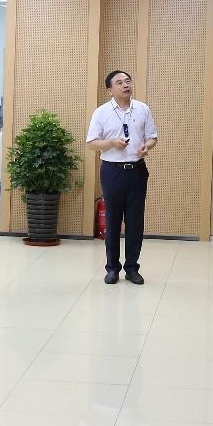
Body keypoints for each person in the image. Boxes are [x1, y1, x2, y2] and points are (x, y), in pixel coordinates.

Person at [86, 69, 158, 285]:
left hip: (137, 170)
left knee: (135, 221)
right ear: (110, 90)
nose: (126, 85)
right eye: (119, 82)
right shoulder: (101, 112)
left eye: (128, 81)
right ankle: (112, 268)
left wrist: (147, 146)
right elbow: (91, 143)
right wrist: (111, 143)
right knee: (113, 220)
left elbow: (152, 137)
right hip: (112, 171)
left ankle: (132, 268)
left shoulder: (142, 109)